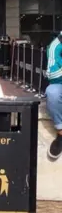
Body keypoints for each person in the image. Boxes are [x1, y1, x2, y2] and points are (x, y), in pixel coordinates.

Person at [45, 31, 62, 159]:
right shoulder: (55, 45)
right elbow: (51, 74)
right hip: (59, 83)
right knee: (52, 93)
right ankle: (61, 133)